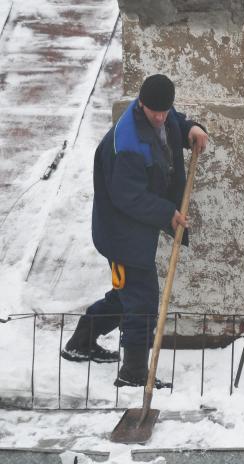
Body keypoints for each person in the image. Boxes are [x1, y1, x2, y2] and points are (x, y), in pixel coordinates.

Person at [61, 74, 208, 387]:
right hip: (121, 233)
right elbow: (129, 197)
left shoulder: (162, 114)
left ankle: (81, 341)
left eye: (164, 111)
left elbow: (174, 123)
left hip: (136, 229)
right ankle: (134, 374)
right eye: (154, 111)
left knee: (126, 293)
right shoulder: (126, 142)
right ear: (141, 103)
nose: (160, 116)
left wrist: (192, 128)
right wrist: (168, 213)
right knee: (141, 298)